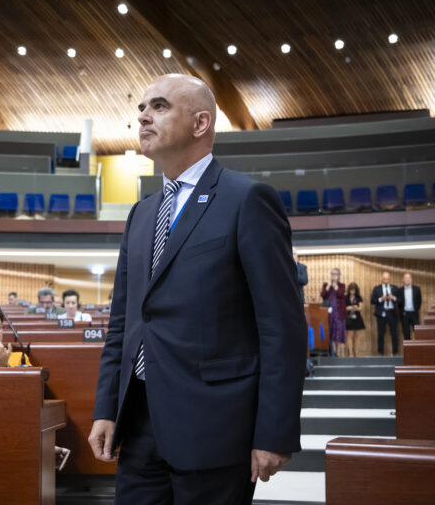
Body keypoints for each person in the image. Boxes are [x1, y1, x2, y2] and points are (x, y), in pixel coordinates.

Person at [89, 74, 306, 504]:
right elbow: (124, 324)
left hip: (215, 427)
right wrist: (106, 408)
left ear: (200, 123)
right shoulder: (141, 214)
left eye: (159, 106)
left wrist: (274, 432)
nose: (143, 117)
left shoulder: (247, 200)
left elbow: (281, 326)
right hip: (139, 425)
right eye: (140, 109)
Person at [370, 272, 399, 355]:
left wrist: (393, 298)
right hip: (381, 313)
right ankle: (380, 353)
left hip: (392, 313)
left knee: (394, 333)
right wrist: (380, 299)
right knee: (381, 333)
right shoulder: (376, 288)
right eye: (384, 278)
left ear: (389, 279)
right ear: (382, 278)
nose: (386, 280)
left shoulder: (395, 288)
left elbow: (400, 300)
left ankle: (395, 352)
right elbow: (372, 300)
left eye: (387, 279)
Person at [321, 269, 347, 357]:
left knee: (338, 333)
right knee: (329, 332)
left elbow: (340, 294)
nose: (333, 276)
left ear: (339, 275)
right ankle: (330, 352)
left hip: (339, 314)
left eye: (335, 274)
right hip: (328, 314)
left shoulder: (342, 285)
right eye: (332, 274)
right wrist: (328, 285)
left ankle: (337, 352)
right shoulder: (326, 285)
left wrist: (335, 284)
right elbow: (323, 295)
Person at [396, 272, 421, 341]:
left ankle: (418, 350)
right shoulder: (399, 290)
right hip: (404, 315)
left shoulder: (417, 289)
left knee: (418, 333)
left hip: (414, 314)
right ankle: (409, 351)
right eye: (406, 278)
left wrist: (416, 310)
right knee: (406, 333)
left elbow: (419, 301)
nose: (407, 279)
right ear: (403, 279)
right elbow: (398, 303)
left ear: (411, 279)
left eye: (409, 277)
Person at [345, 282, 365, 358]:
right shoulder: (346, 297)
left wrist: (355, 308)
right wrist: (349, 307)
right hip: (349, 318)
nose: (352, 292)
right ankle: (350, 353)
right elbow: (344, 308)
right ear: (349, 290)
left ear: (356, 290)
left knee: (357, 337)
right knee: (349, 336)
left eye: (353, 290)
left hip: (357, 318)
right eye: (351, 290)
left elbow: (360, 308)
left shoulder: (358, 297)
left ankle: (357, 352)